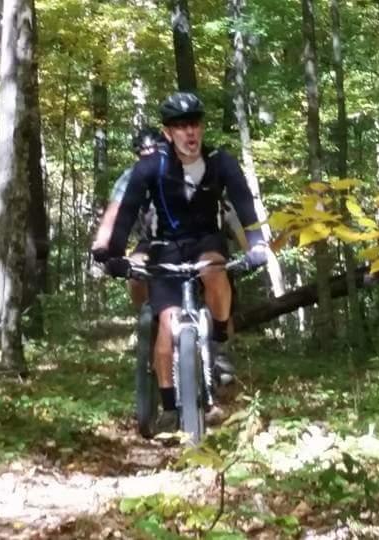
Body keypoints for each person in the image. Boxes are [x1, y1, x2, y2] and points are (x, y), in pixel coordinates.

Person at [93, 92, 268, 433]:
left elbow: (244, 204)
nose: (189, 133)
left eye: (194, 124)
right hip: (165, 247)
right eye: (180, 126)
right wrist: (113, 255)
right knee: (166, 328)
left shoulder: (221, 162)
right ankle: (171, 405)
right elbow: (124, 213)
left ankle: (217, 339)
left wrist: (258, 244)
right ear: (168, 132)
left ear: (201, 128)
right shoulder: (150, 167)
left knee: (214, 271)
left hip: (205, 239)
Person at [92, 127, 162, 307]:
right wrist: (103, 244)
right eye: (143, 155)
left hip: (191, 239)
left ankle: (222, 331)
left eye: (154, 153)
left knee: (216, 278)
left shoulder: (182, 169)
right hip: (151, 242)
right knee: (136, 273)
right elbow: (114, 213)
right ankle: (147, 322)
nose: (149, 159)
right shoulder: (130, 177)